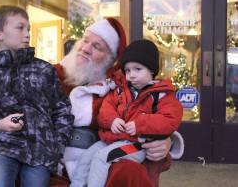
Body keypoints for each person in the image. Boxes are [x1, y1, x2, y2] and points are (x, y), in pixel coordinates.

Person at [0, 18, 184, 187]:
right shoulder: (45, 73)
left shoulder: (119, 89)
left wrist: (165, 140)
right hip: (46, 168)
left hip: (96, 173)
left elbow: (149, 111)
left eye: (97, 47)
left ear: (110, 60)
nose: (85, 48)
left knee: (130, 173)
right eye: (85, 40)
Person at [0, 5, 74, 187]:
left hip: (40, 151)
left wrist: (56, 145)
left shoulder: (44, 70)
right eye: (20, 28)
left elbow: (63, 110)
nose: (27, 33)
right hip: (2, 147)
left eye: (28, 28)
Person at [69, 39, 183, 187]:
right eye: (128, 70)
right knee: (86, 157)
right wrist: (112, 120)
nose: (131, 75)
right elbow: (106, 108)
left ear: (152, 70)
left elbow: (170, 119)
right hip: (112, 139)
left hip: (136, 143)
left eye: (137, 69)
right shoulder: (120, 89)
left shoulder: (161, 94)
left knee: (101, 158)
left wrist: (140, 124)